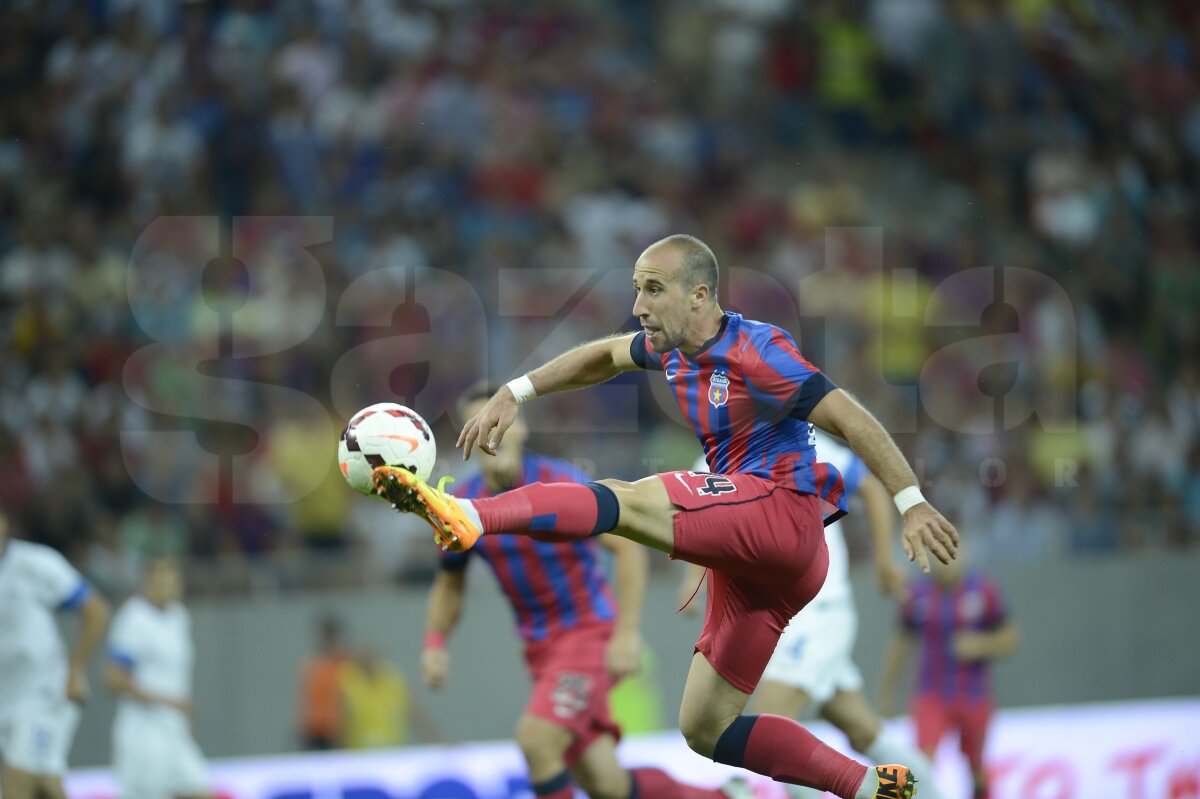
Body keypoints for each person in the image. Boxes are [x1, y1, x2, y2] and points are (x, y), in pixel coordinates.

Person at [374, 234, 959, 799]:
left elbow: (851, 419)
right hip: (759, 564)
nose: (638, 306)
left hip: (781, 516)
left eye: (653, 290)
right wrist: (516, 390)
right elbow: (603, 356)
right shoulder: (671, 350)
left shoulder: (757, 349)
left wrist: (912, 501)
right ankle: (868, 786)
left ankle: (470, 513)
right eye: (636, 289)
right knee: (707, 730)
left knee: (621, 498)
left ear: (699, 296)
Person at [421, 384, 749, 799]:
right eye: (477, 424)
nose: (491, 434)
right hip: (540, 651)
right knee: (606, 783)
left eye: (498, 421)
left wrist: (626, 632)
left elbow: (626, 546)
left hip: (589, 635)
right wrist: (435, 641)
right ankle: (726, 796)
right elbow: (451, 580)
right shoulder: (463, 504)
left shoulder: (559, 483)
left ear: (519, 427)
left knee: (536, 740)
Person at [682, 431, 946, 799]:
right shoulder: (710, 461)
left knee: (772, 722)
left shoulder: (801, 442)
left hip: (816, 611)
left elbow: (868, 486)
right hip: (770, 619)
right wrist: (693, 577)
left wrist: (884, 558)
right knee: (861, 729)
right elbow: (702, 523)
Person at [878, 544, 1017, 799]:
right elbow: (900, 644)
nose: (945, 559)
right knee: (921, 764)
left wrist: (981, 645)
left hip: (974, 694)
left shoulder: (984, 590)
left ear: (964, 553)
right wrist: (887, 692)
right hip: (931, 693)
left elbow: (1009, 639)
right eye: (936, 552)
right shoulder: (917, 594)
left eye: (951, 551)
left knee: (976, 766)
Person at [0, 510, 110, 799]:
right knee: (47, 785)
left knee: (17, 785)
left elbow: (96, 610)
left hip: (43, 693)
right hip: (6, 698)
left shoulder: (34, 564)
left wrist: (76, 669)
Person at [106, 557, 213, 799]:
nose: (168, 586)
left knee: (201, 792)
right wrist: (168, 702)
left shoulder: (179, 617)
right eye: (160, 580)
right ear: (147, 583)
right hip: (143, 735)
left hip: (174, 733)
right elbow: (113, 679)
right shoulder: (134, 619)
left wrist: (182, 719)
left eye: (173, 580)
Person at [339, 646, 443, 748]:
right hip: (361, 756)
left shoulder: (393, 682)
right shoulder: (351, 684)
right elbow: (342, 725)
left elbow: (417, 717)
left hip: (392, 754)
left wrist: (437, 741)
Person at [296, 614, 349, 750]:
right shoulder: (312, 663)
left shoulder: (343, 663)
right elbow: (305, 697)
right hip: (314, 729)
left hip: (336, 730)